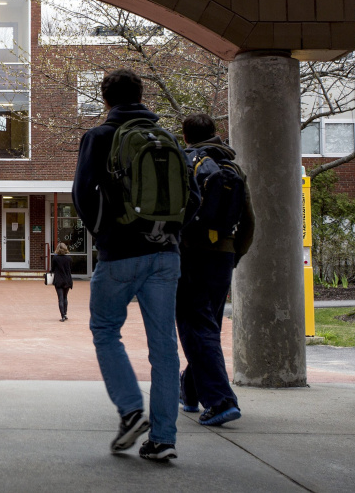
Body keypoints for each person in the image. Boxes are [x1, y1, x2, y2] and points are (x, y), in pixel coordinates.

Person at [72, 68, 199, 463]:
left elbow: (81, 193)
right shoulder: (170, 140)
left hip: (119, 255)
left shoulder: (99, 136)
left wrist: (103, 232)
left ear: (105, 99)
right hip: (166, 255)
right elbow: (193, 197)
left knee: (106, 329)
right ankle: (163, 438)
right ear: (141, 95)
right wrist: (170, 232)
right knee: (164, 347)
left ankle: (130, 410)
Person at [177, 113, 255, 426]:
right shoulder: (232, 166)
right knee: (208, 326)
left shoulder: (185, 162)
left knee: (195, 326)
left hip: (191, 253)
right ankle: (191, 392)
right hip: (223, 255)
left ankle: (221, 401)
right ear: (215, 133)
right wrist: (235, 255)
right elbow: (248, 220)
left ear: (186, 137)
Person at [50, 243, 73, 321]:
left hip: (59, 280)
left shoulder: (55, 258)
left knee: (60, 298)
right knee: (65, 297)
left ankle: (62, 315)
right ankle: (65, 314)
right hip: (67, 280)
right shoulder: (69, 258)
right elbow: (70, 268)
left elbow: (52, 269)